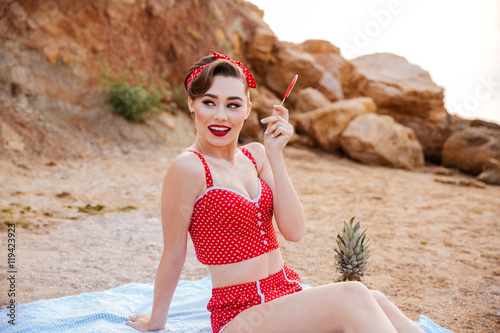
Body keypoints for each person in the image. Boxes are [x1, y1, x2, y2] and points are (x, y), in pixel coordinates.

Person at [125, 50, 424, 333]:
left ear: (247, 109)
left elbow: (294, 231)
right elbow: (174, 254)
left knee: (378, 300)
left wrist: (276, 155)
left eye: (233, 104)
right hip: (241, 314)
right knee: (354, 294)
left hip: (285, 292)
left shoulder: (257, 155)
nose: (220, 116)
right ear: (192, 104)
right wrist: (156, 320)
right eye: (208, 102)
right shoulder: (188, 168)